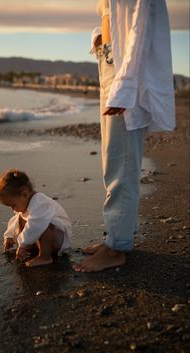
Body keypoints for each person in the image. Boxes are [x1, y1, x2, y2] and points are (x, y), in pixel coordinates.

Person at [73, 0, 175, 272]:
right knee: (113, 159)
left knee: (122, 161)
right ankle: (118, 236)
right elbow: (112, 13)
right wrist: (100, 36)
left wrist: (126, 84)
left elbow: (140, 23)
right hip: (110, 61)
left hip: (124, 68)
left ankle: (116, 247)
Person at [0, 169, 72, 267]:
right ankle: (34, 245)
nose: (13, 209)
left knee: (42, 226)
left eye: (13, 205)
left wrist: (22, 244)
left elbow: (36, 226)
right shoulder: (27, 202)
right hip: (48, 236)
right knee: (21, 218)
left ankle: (45, 257)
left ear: (25, 194)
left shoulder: (40, 203)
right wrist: (9, 236)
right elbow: (16, 220)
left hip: (59, 239)